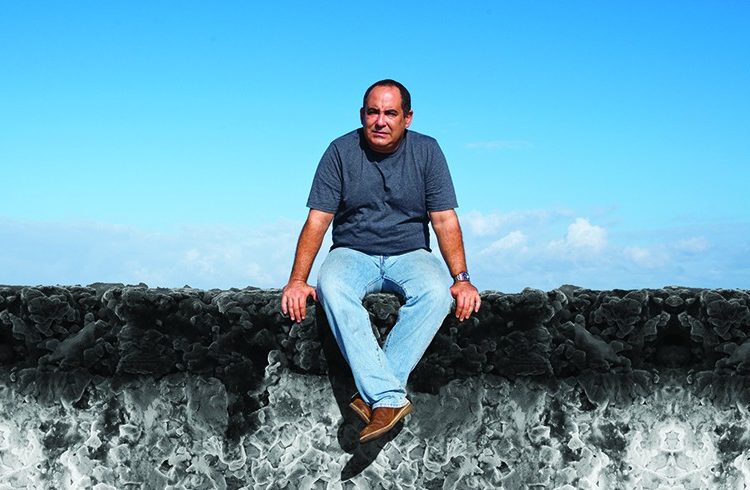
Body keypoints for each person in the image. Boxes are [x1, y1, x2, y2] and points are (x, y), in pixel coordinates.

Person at [281, 79, 480, 443]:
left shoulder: (428, 151)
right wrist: (297, 280)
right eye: (373, 112)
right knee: (331, 287)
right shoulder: (340, 151)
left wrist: (462, 278)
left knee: (437, 294)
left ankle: (373, 396)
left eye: (390, 113)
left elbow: (444, 219)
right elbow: (318, 220)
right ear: (362, 114)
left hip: (411, 254)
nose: (380, 121)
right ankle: (388, 398)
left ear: (407, 117)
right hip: (352, 252)